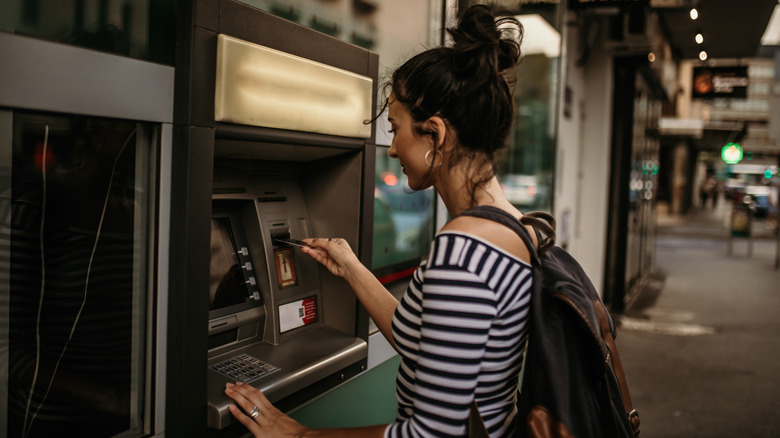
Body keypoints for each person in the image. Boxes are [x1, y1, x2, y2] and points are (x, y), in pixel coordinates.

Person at [224, 5, 535, 437]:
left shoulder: (462, 253)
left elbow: (432, 435)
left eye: (396, 127)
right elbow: (422, 344)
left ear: (436, 134)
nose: (391, 149)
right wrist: (350, 266)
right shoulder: (514, 226)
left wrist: (299, 435)